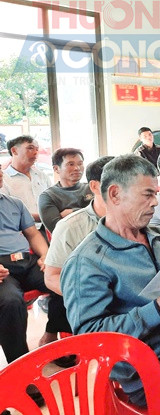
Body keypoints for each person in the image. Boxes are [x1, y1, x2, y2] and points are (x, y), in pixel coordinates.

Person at [60, 155, 160, 412]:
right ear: (115, 194)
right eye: (147, 195)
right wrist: (157, 309)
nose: (155, 202)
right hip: (152, 370)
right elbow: (91, 338)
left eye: (155, 194)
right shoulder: (88, 261)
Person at [0, 167, 69, 372]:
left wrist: (46, 255)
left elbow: (32, 233)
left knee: (63, 282)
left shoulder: (14, 203)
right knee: (11, 301)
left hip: (26, 261)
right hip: (2, 270)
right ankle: (20, 368)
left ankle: (52, 335)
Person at [44, 156, 113, 295]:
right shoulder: (69, 227)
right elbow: (52, 277)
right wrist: (86, 298)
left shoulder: (140, 221)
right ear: (95, 186)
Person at [0, 135, 51, 233]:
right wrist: (44, 217)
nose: (35, 152)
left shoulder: (41, 175)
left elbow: (52, 201)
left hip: (48, 228)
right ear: (14, 151)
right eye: (30, 148)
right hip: (20, 232)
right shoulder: (3, 180)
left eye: (37, 149)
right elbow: (8, 214)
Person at [38, 148, 93, 233]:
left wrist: (72, 212)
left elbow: (104, 216)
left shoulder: (92, 188)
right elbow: (58, 230)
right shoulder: (48, 196)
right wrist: (91, 211)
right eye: (71, 164)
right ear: (56, 169)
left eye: (80, 164)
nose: (77, 168)